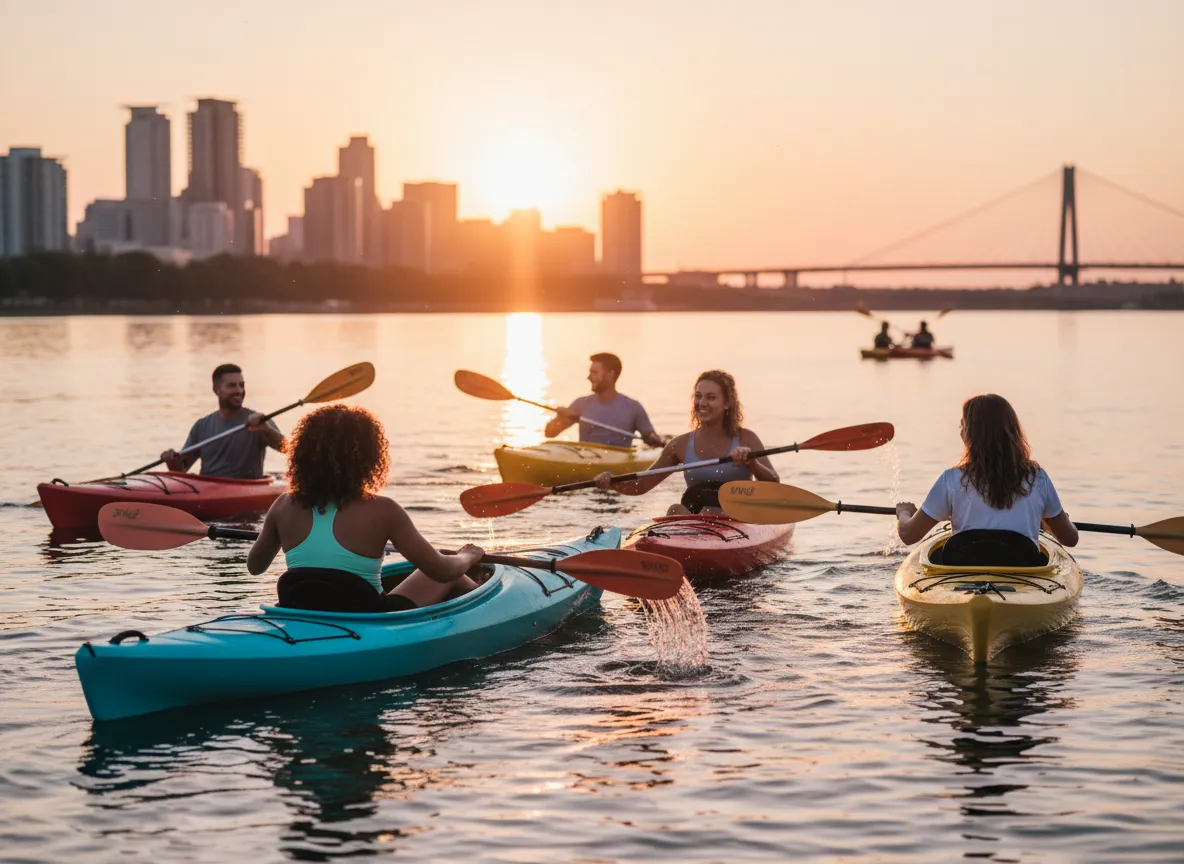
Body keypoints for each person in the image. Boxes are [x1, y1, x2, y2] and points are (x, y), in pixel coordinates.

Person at [247, 405, 486, 612]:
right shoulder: (384, 510)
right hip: (370, 619)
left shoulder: (283, 505)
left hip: (303, 612)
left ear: (303, 456)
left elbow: (255, 567)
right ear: (369, 457)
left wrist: (277, 536)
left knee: (443, 560)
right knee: (446, 560)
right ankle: (482, 595)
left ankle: (475, 587)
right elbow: (442, 571)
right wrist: (468, 556)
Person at [895, 394, 1078, 564]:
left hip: (964, 567)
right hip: (1022, 566)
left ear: (971, 434)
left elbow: (909, 535)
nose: (960, 432)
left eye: (963, 426)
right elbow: (1070, 538)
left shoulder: (950, 480)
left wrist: (904, 513)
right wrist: (1052, 521)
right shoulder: (1037, 478)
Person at [592, 369, 779, 514]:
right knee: (675, 510)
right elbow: (641, 485)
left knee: (707, 511)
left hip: (737, 520)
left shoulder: (746, 438)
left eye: (711, 397)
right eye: (698, 396)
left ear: (727, 403)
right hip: (696, 521)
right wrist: (612, 481)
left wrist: (752, 464)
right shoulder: (679, 445)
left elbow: (774, 485)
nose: (702, 402)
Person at [161, 363, 285, 479]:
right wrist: (171, 460)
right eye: (232, 386)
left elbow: (289, 450)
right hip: (207, 490)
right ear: (216, 390)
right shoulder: (202, 426)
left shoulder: (259, 421)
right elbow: (181, 469)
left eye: (241, 385)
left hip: (246, 490)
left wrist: (267, 430)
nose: (239, 391)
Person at [544, 352, 665, 449]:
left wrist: (653, 439)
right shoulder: (580, 404)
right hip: (586, 461)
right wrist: (560, 418)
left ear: (610, 374)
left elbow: (652, 441)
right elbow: (549, 433)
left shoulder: (633, 408)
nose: (589, 377)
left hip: (617, 465)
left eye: (594, 372)